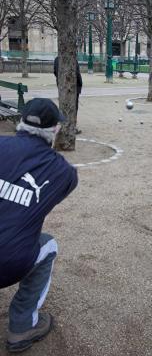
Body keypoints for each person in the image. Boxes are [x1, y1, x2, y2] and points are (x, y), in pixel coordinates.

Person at [0, 98, 78, 353]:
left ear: (20, 122)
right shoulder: (65, 174)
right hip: (7, 263)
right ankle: (22, 326)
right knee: (48, 244)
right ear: (55, 130)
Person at [53, 56, 83, 134]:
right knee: (73, 107)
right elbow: (76, 73)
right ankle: (72, 127)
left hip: (62, 86)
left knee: (64, 105)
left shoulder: (57, 59)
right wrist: (80, 83)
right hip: (73, 87)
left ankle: (64, 125)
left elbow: (55, 72)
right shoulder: (72, 59)